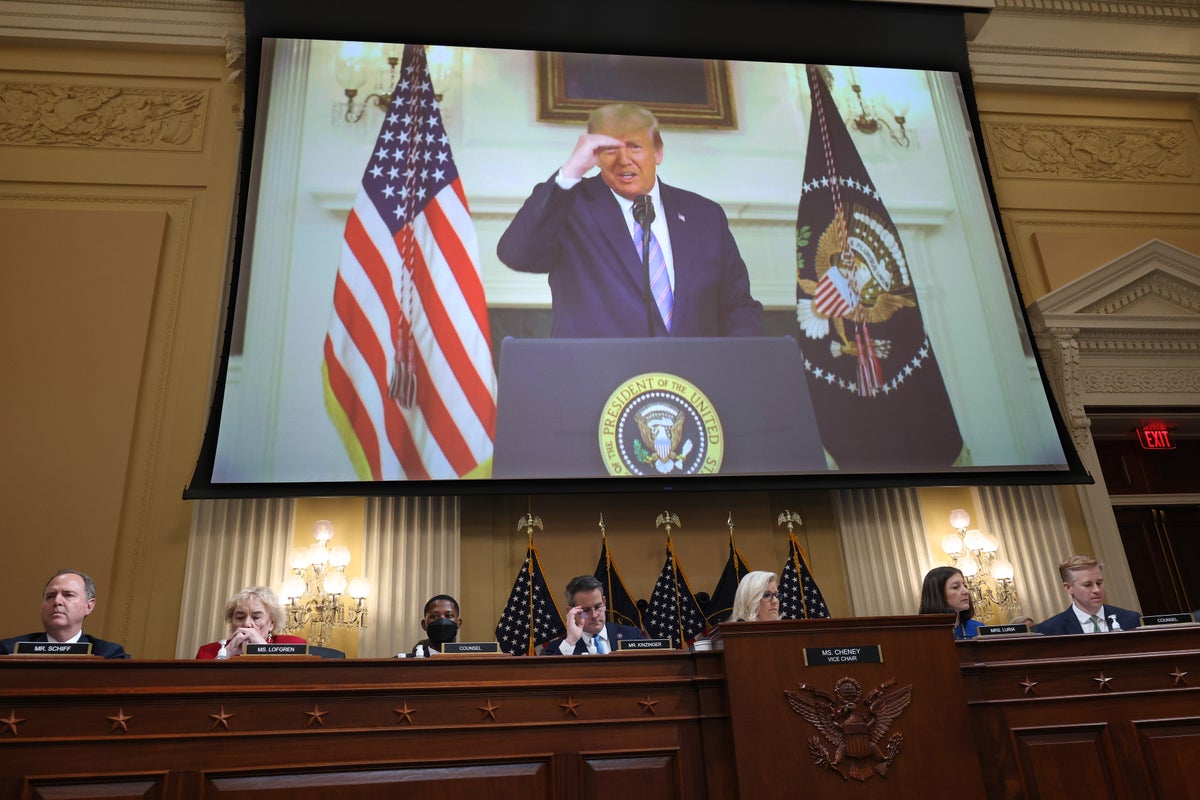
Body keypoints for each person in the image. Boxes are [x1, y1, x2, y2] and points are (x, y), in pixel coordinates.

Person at [497, 103, 765, 338]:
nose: (624, 160)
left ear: (658, 152)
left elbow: (737, 305)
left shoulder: (704, 216)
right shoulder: (569, 206)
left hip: (692, 385)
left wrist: (737, 367)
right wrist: (572, 168)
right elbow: (517, 254)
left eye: (635, 146)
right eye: (610, 150)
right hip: (601, 385)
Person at [0, 569, 130, 659]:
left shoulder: (107, 655)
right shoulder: (8, 650)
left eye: (68, 595)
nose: (57, 601)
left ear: (89, 606)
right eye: (50, 596)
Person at [1037, 555, 1140, 635]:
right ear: (1068, 588)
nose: (1096, 590)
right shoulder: (1050, 629)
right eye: (1087, 585)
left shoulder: (1132, 620)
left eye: (1099, 583)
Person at [542, 575, 645, 655]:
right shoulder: (558, 648)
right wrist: (570, 642)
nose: (594, 615)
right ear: (571, 611)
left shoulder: (632, 636)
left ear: (604, 602)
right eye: (586, 610)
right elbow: (548, 676)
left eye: (597, 607)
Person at [195, 585, 306, 659]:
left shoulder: (294, 645)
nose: (247, 624)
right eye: (239, 617)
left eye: (256, 617)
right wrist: (225, 655)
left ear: (271, 623)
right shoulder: (207, 652)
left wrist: (265, 650)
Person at [918, 566, 983, 640]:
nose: (966, 591)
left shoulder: (977, 628)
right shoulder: (922, 634)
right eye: (955, 587)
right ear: (938, 594)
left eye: (965, 585)